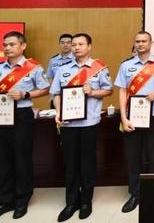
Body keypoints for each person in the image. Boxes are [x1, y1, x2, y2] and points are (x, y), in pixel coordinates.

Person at [0, 31, 50, 220]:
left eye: (12, 44)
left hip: (21, 116)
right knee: (1, 159)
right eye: (5, 45)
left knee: (22, 158)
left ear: (23, 46)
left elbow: (45, 89)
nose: (7, 48)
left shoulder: (33, 68)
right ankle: (4, 200)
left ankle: (22, 200)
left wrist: (26, 94)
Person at [50, 33, 112, 221]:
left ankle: (86, 201)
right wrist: (59, 111)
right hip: (68, 123)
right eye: (74, 44)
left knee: (87, 162)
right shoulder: (62, 69)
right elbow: (56, 93)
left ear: (89, 46)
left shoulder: (99, 68)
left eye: (81, 44)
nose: (76, 47)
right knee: (70, 163)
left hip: (89, 123)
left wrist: (92, 92)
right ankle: (71, 202)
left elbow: (108, 90)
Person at [115, 31, 154, 213]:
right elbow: (122, 91)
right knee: (133, 157)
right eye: (137, 41)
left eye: (144, 41)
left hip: (153, 116)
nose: (141, 44)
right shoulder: (126, 65)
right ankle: (135, 194)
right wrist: (123, 117)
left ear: (151, 43)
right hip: (132, 117)